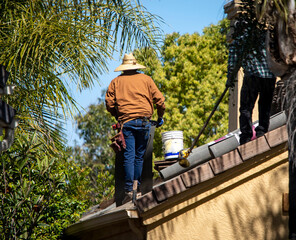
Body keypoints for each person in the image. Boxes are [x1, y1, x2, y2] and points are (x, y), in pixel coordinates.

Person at [105, 53, 165, 204]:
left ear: (124, 67)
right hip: (145, 123)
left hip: (127, 123)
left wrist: (117, 116)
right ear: (135, 65)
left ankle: (128, 189)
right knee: (139, 156)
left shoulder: (116, 82)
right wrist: (159, 117)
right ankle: (136, 187)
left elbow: (109, 104)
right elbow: (160, 101)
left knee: (128, 156)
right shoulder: (146, 79)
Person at [226, 22, 276, 145]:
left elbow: (233, 63)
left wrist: (229, 80)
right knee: (265, 105)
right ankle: (262, 131)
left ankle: (246, 135)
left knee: (246, 108)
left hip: (252, 76)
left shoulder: (240, 40)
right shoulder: (264, 36)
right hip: (269, 76)